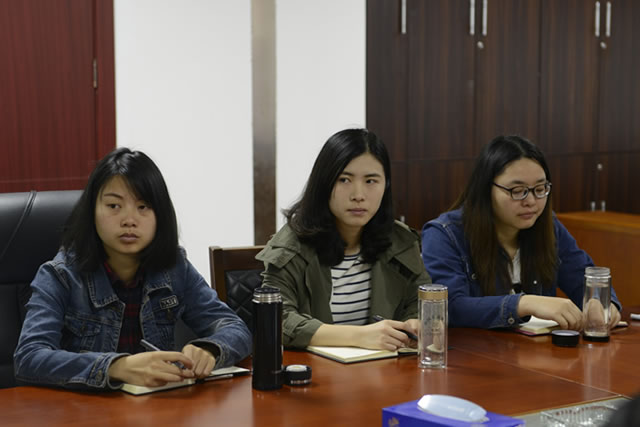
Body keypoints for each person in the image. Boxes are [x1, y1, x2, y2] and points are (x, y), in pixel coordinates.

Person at [14, 148, 251, 390]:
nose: (129, 220)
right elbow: (29, 358)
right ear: (92, 211)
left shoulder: (174, 268)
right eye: (114, 206)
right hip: (85, 407)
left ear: (160, 215)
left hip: (159, 405)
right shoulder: (60, 275)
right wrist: (117, 367)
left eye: (143, 206)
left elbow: (235, 328)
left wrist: (209, 349)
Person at [421, 135, 621, 329]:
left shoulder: (548, 226)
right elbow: (450, 307)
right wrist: (524, 304)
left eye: (540, 189)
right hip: (474, 350)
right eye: (517, 191)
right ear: (485, 189)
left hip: (537, 349)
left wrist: (603, 304)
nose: (531, 201)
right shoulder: (444, 234)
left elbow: (582, 277)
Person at [256, 128, 431, 350]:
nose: (358, 195)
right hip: (314, 369)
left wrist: (415, 322)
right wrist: (359, 336)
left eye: (371, 181)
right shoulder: (291, 245)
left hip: (385, 367)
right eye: (344, 179)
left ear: (385, 185)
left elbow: (421, 301)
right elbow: (276, 319)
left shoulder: (400, 241)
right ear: (324, 183)